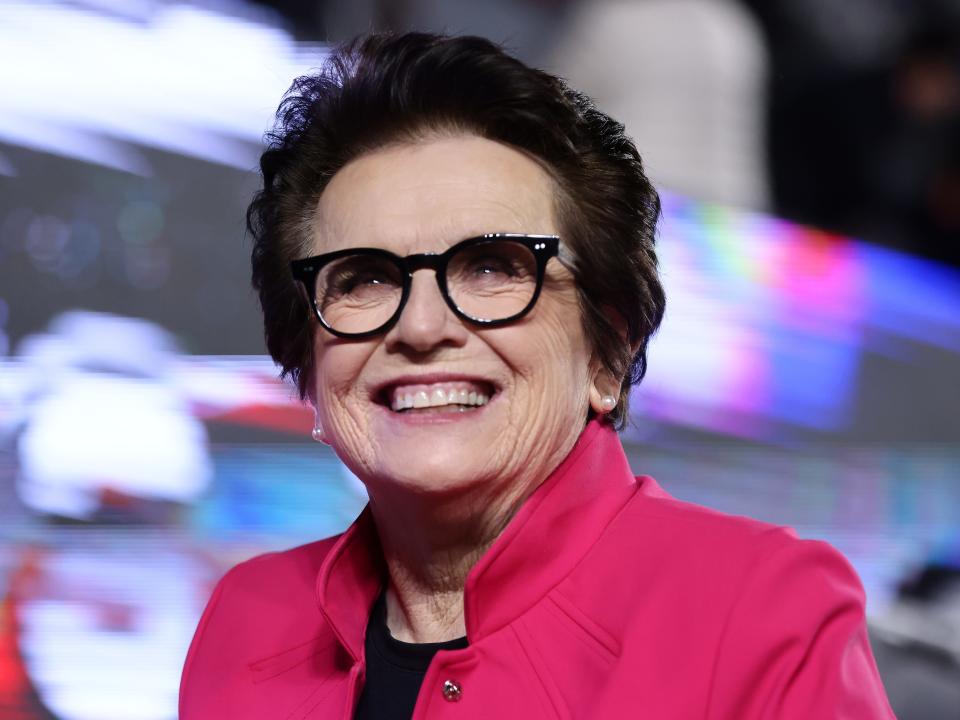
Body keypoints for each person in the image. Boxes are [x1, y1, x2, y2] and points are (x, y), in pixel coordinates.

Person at [179, 32, 894, 719]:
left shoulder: (764, 612)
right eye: (363, 278)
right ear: (306, 366)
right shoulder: (249, 617)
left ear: (607, 353)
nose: (422, 327)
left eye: (492, 267)